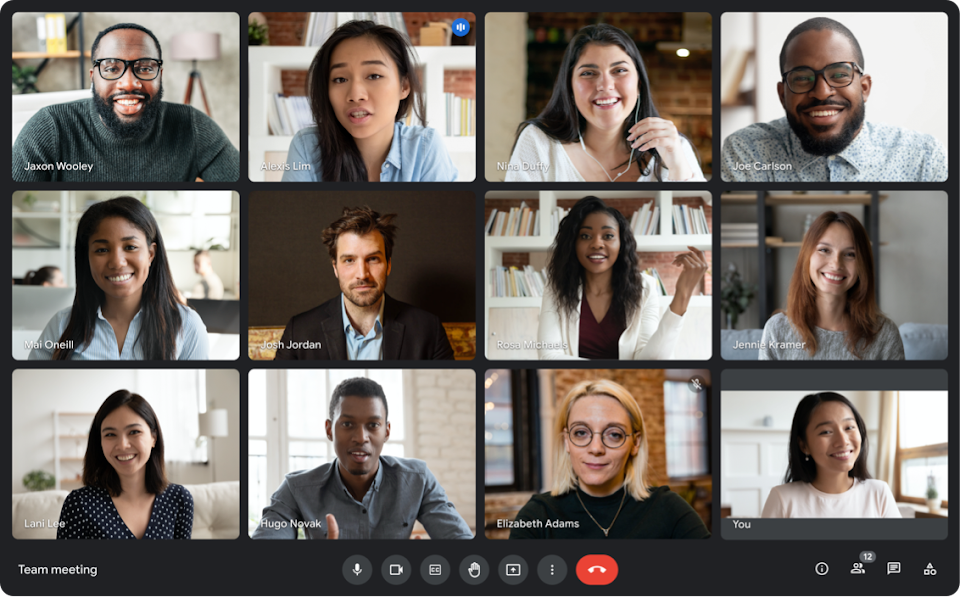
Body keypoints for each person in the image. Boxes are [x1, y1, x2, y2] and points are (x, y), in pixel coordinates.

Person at [721, 17, 947, 182]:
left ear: (864, 87)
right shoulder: (748, 151)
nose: (821, 92)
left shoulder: (924, 158)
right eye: (801, 78)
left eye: (839, 74)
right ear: (782, 95)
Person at [13, 23, 239, 183]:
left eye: (144, 68)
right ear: (93, 76)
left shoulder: (193, 126)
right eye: (111, 69)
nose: (129, 83)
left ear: (160, 75)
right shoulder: (49, 127)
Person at [252, 377, 472, 539]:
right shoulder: (296, 488)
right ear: (329, 430)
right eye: (347, 424)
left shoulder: (418, 479)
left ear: (386, 431)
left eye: (373, 425)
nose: (360, 438)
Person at [509, 380, 709, 539]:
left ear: (635, 443)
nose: (596, 448)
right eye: (580, 433)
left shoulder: (668, 509)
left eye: (614, 434)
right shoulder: (537, 515)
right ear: (566, 441)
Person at [506, 24, 704, 183]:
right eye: (588, 73)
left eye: (619, 70)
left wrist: (678, 165)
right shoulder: (538, 142)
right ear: (570, 87)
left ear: (639, 83)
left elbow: (700, 227)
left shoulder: (674, 145)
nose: (605, 85)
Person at [28, 196, 208, 360]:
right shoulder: (61, 325)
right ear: (87, 258)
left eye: (130, 247)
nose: (117, 262)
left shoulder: (188, 326)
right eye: (102, 250)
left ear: (151, 254)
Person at [281, 20, 457, 182]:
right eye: (340, 79)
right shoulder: (307, 147)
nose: (356, 95)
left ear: (404, 86)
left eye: (374, 76)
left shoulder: (425, 148)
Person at [537, 196, 708, 360]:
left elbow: (653, 360)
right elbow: (549, 356)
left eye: (608, 236)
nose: (597, 243)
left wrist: (683, 294)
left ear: (621, 244)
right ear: (573, 244)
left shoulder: (645, 288)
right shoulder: (556, 287)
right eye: (585, 236)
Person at [274, 206, 453, 360]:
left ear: (389, 264)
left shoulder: (429, 330)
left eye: (373, 259)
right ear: (335, 268)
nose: (362, 274)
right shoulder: (299, 331)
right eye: (349, 260)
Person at [760, 211, 903, 360]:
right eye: (824, 250)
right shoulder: (777, 329)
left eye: (850, 254)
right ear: (806, 257)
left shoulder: (884, 334)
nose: (836, 265)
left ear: (862, 265)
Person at [57, 390, 194, 539]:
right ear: (100, 443)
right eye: (110, 434)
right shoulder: (79, 504)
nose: (122, 445)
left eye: (134, 432)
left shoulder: (179, 499)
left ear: (153, 437)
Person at [762, 392, 900, 518]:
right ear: (804, 445)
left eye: (849, 427)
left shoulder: (879, 492)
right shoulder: (783, 499)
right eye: (826, 432)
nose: (843, 441)